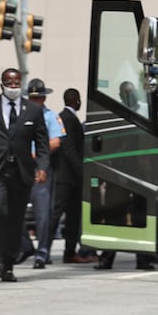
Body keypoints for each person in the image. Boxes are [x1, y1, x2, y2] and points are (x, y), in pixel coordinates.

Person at [0, 67, 50, 282]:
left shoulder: (33, 111)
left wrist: (42, 167)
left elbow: (42, 143)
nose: (13, 86)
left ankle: (8, 265)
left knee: (15, 220)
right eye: (9, 82)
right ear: (2, 85)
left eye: (17, 83)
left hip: (21, 173)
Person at [22, 78, 64, 268]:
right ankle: (25, 246)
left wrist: (36, 154)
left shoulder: (51, 116)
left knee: (43, 214)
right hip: (21, 167)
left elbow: (55, 142)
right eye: (32, 98)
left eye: (38, 98)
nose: (35, 101)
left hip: (41, 167)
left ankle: (42, 253)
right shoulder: (21, 116)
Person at [55, 87, 95, 264]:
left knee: (73, 216)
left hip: (69, 177)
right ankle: (45, 251)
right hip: (68, 177)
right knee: (59, 214)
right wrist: (81, 171)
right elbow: (69, 148)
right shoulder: (67, 118)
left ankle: (69, 252)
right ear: (75, 100)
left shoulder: (67, 117)